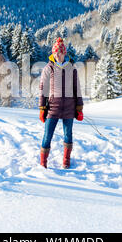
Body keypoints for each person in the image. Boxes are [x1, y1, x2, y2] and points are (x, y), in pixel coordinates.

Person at [38, 37, 84, 169]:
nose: (57, 55)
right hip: (53, 107)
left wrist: (79, 108)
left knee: (68, 135)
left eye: (59, 52)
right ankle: (43, 162)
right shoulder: (49, 68)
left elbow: (77, 88)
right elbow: (43, 89)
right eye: (55, 53)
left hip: (69, 107)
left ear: (64, 53)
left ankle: (66, 160)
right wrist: (42, 108)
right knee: (47, 135)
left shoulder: (72, 67)